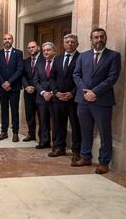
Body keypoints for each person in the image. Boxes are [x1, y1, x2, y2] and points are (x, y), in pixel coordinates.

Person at [72, 28, 121, 174]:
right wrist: (85, 91)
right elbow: (76, 75)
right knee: (85, 131)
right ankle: (85, 156)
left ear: (105, 38)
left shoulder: (113, 56)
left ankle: (104, 162)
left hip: (102, 101)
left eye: (101, 37)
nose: (99, 40)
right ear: (91, 39)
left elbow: (112, 78)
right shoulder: (83, 56)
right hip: (83, 100)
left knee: (104, 132)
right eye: (96, 37)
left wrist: (94, 92)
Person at [49, 34, 81, 159]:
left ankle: (76, 151)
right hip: (58, 98)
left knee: (75, 125)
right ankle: (59, 147)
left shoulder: (81, 58)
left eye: (73, 42)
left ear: (77, 44)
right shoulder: (57, 58)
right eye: (67, 42)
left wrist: (72, 93)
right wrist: (56, 92)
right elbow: (52, 77)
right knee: (58, 124)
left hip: (73, 99)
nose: (70, 44)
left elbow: (81, 78)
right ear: (63, 44)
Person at [0, 34, 23, 142]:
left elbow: (20, 69)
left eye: (9, 38)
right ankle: (4, 132)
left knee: (14, 110)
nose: (7, 40)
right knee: (4, 110)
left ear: (12, 40)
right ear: (3, 41)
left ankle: (15, 132)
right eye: (5, 39)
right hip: (2, 88)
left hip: (14, 87)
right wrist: (3, 83)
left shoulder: (18, 53)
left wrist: (9, 82)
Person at [33, 42, 56, 149]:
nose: (46, 52)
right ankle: (44, 141)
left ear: (54, 51)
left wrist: (51, 93)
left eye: (48, 50)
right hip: (41, 98)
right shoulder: (39, 64)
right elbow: (36, 81)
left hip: (55, 97)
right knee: (43, 121)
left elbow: (60, 80)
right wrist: (43, 92)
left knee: (56, 121)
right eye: (44, 50)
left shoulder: (59, 63)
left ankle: (56, 143)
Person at [21, 40, 43, 142]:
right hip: (28, 92)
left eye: (33, 47)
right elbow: (23, 75)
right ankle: (31, 134)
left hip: (40, 93)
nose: (31, 49)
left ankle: (42, 137)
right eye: (29, 47)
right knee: (29, 115)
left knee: (41, 116)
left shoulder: (44, 60)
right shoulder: (25, 61)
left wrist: (35, 87)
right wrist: (26, 86)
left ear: (38, 48)